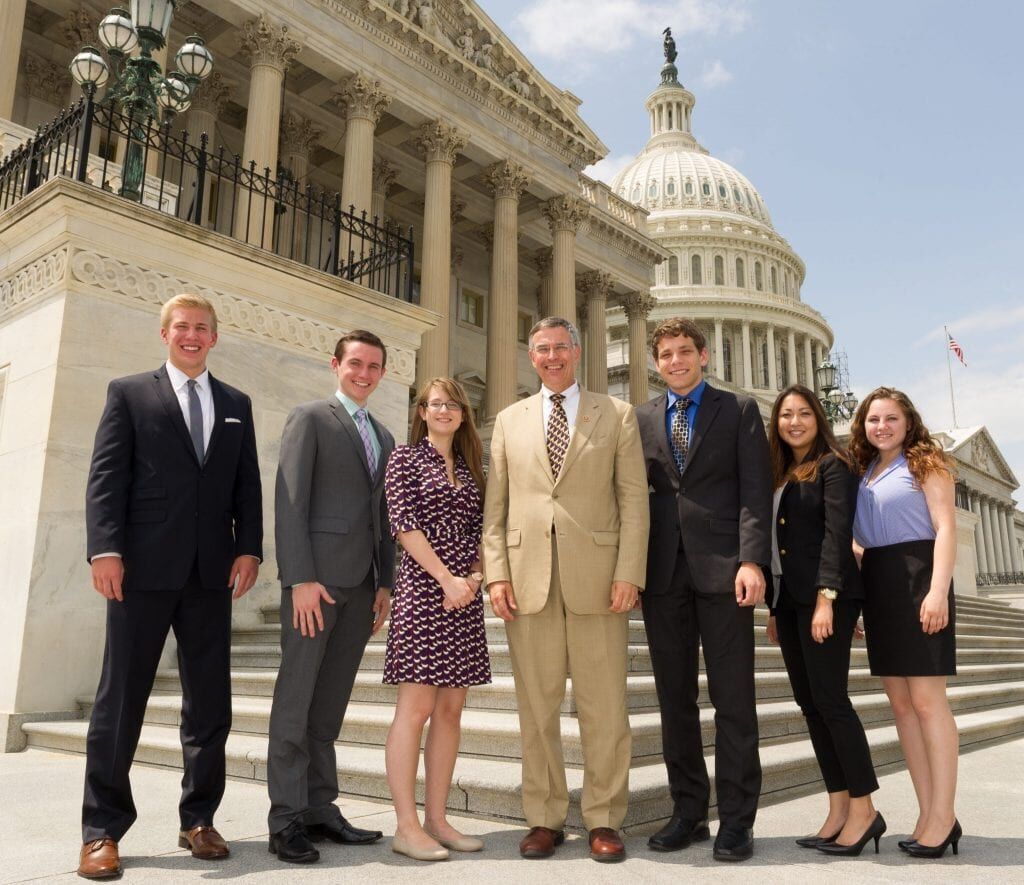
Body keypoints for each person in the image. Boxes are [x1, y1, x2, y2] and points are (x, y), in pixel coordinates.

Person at [79, 293, 263, 880]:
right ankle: (101, 830)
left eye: (202, 328)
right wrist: (105, 550)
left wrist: (249, 548)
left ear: (215, 337)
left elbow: (246, 484)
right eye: (182, 327)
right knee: (120, 699)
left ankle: (199, 819)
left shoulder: (236, 403)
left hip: (211, 574)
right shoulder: (128, 393)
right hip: (140, 570)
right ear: (165, 335)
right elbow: (106, 476)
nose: (192, 336)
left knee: (210, 701)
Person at [483, 317, 648, 863]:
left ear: (576, 353)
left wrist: (630, 572)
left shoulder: (616, 414)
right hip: (528, 582)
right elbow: (497, 506)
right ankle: (544, 818)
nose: (552, 357)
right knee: (537, 709)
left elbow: (633, 501)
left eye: (560, 347)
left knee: (605, 709)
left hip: (600, 582)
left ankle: (603, 818)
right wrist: (497, 572)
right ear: (531, 357)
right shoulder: (509, 420)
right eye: (542, 349)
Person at [634, 317, 769, 862]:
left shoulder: (738, 410)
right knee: (674, 701)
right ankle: (688, 812)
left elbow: (756, 491)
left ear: (703, 355)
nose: (675, 361)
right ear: (656, 361)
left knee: (733, 701)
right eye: (665, 354)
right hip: (663, 575)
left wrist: (752, 560)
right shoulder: (640, 418)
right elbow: (633, 494)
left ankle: (737, 821)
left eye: (684, 352)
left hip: (725, 570)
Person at [267, 330, 395, 863]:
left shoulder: (385, 437)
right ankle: (287, 820)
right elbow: (290, 499)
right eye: (355, 364)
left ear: (382, 373)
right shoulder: (311, 417)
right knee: (296, 703)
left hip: (361, 588)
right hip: (314, 587)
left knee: (329, 708)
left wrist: (385, 581)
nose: (363, 374)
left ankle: (320, 808)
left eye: (373, 367)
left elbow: (385, 518)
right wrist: (298, 578)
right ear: (335, 365)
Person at [765, 385, 883, 856]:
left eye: (803, 414)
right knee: (810, 706)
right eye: (785, 415)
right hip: (790, 601)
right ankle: (838, 807)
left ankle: (865, 810)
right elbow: (777, 545)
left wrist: (826, 599)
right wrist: (776, 608)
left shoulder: (835, 465)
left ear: (818, 418)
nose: (794, 422)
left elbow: (837, 535)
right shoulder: (782, 470)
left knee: (832, 702)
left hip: (825, 598)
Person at [850, 387, 961, 858]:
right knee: (900, 706)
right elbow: (858, 541)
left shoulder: (927, 462)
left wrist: (937, 591)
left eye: (891, 418)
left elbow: (946, 528)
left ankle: (944, 815)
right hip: (878, 584)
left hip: (919, 578)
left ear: (907, 421)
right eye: (873, 419)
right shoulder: (865, 471)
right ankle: (926, 813)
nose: (882, 427)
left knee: (927, 702)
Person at [383, 377, 491, 861]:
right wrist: (448, 580)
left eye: (453, 404)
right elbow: (405, 528)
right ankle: (406, 826)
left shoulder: (472, 470)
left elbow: (485, 529)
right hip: (424, 594)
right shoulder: (405, 459)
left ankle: (438, 820)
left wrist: (473, 578)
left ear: (464, 414)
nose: (444, 410)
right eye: (435, 404)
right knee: (416, 709)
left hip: (464, 598)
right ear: (422, 412)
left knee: (450, 712)